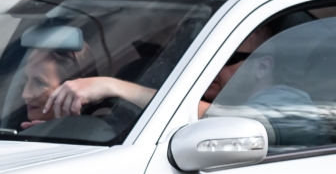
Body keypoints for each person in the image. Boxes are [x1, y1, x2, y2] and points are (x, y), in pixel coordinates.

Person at [34, 24, 275, 121]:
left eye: (224, 59)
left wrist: (111, 86)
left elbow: (243, 121)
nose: (209, 69)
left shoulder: (288, 103)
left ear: (262, 66)